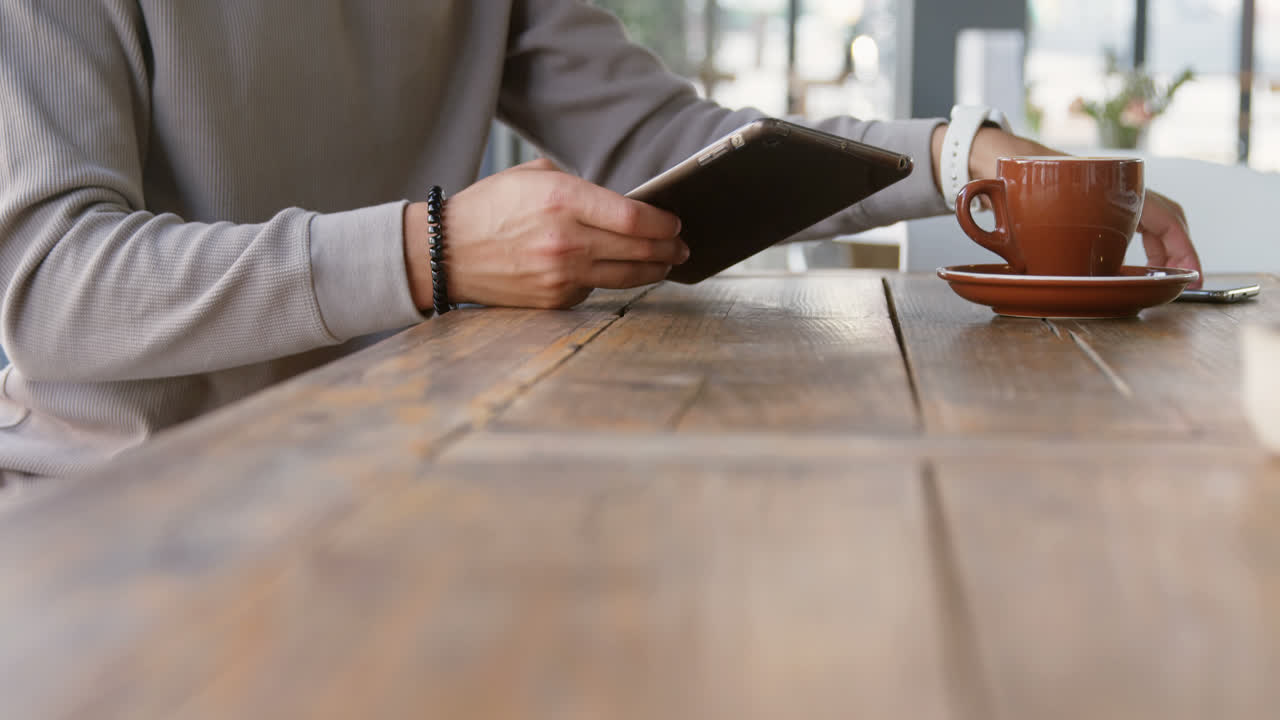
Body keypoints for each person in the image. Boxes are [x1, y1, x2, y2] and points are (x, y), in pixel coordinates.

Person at [0, 0, 1200, 479]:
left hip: (376, 480)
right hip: (113, 515)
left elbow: (660, 141)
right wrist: (431, 252)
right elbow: (52, 288)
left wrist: (950, 155)